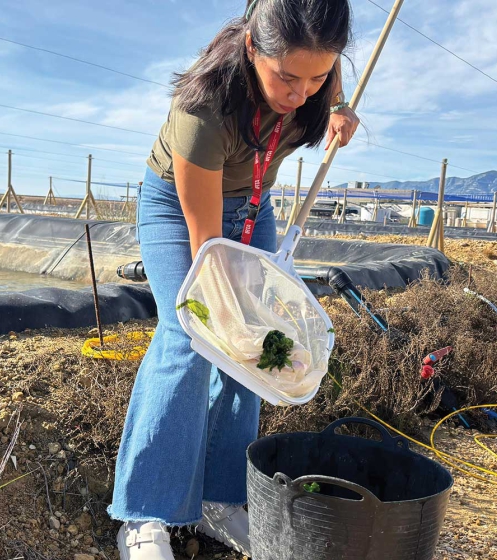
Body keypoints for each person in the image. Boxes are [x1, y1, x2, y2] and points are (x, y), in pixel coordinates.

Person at [110, 1, 358, 557]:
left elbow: (325, 74)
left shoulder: (315, 76)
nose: (300, 94)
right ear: (253, 48)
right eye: (287, 78)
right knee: (195, 330)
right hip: (183, 208)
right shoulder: (203, 108)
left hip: (253, 204)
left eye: (316, 78)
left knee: (256, 349)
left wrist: (337, 102)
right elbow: (206, 253)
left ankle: (222, 501)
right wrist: (229, 311)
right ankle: (145, 515)